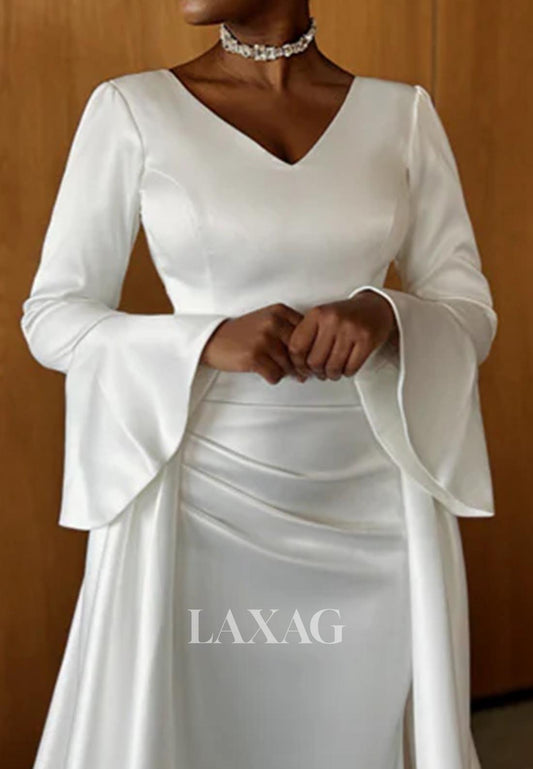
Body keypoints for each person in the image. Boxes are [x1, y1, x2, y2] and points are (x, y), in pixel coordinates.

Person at [20, 2, 498, 768]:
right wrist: (205, 338)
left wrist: (383, 313)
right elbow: (53, 317)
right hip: (197, 501)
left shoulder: (401, 116)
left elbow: (468, 312)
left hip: (373, 504)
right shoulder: (130, 109)